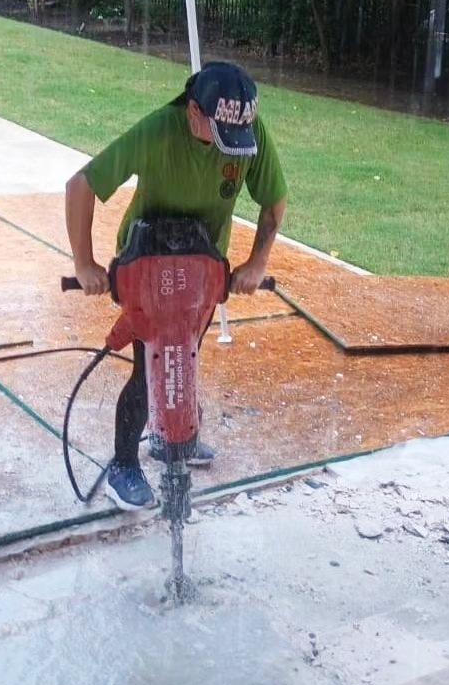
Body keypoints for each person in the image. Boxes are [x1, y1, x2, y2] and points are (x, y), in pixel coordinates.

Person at [65, 61, 288, 511]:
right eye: (219, 135)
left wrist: (256, 263)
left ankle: (174, 440)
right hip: (146, 258)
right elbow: (81, 185)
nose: (232, 149)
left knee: (184, 357)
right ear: (193, 112)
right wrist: (85, 263)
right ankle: (124, 465)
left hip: (203, 265)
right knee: (151, 368)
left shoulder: (247, 130)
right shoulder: (160, 129)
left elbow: (274, 200)